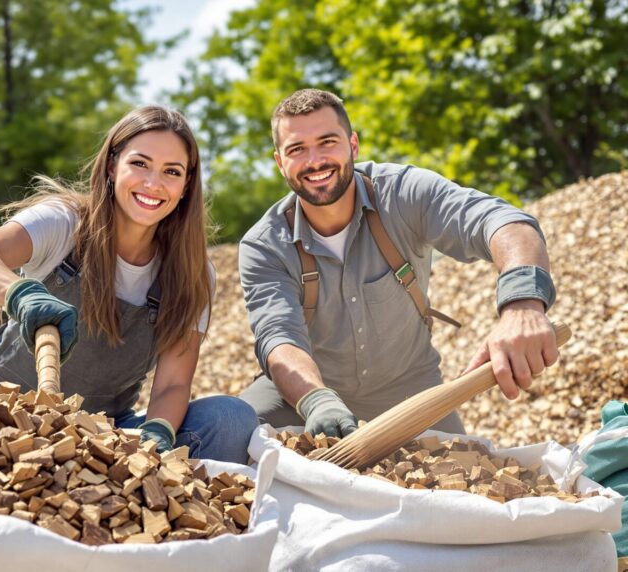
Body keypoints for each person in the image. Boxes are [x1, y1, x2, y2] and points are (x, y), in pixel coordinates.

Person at [0, 105, 257, 464]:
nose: (153, 183)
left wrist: (157, 437)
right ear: (111, 166)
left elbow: (173, 383)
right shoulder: (63, 224)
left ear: (186, 185)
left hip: (98, 438)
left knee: (231, 419)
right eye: (140, 163)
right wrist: (21, 295)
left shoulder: (192, 273)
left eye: (172, 171)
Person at [238, 88, 558, 437]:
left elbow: (504, 223)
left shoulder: (404, 193)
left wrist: (522, 305)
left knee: (467, 469)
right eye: (297, 149)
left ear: (353, 145)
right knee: (232, 432)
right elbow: (279, 338)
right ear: (280, 162)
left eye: (327, 142)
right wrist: (316, 401)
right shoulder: (264, 246)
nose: (315, 161)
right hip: (303, 395)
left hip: (410, 392)